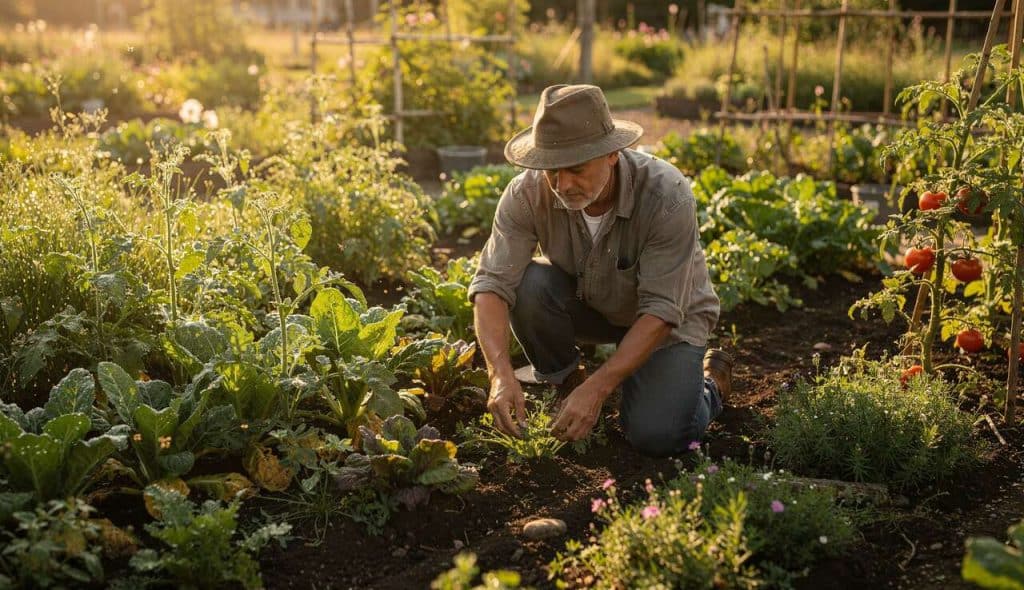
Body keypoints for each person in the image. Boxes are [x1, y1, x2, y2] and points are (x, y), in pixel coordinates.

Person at [467, 84, 733, 457]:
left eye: (576, 169)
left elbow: (661, 310)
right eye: (551, 171)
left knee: (658, 435)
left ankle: (711, 386)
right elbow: (491, 285)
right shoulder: (526, 193)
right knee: (529, 284)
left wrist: (599, 388)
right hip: (592, 303)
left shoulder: (665, 195)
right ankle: (567, 381)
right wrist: (499, 373)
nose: (562, 185)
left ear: (612, 154)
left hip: (668, 321)